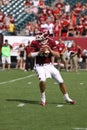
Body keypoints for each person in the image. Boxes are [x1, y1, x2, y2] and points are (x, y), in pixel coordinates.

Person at [28, 33, 75, 106]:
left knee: (61, 81)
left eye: (40, 36)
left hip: (49, 65)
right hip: (39, 66)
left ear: (45, 37)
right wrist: (38, 52)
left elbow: (58, 55)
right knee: (42, 80)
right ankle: (43, 98)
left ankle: (67, 97)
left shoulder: (51, 42)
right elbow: (29, 55)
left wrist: (50, 50)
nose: (38, 38)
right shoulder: (35, 42)